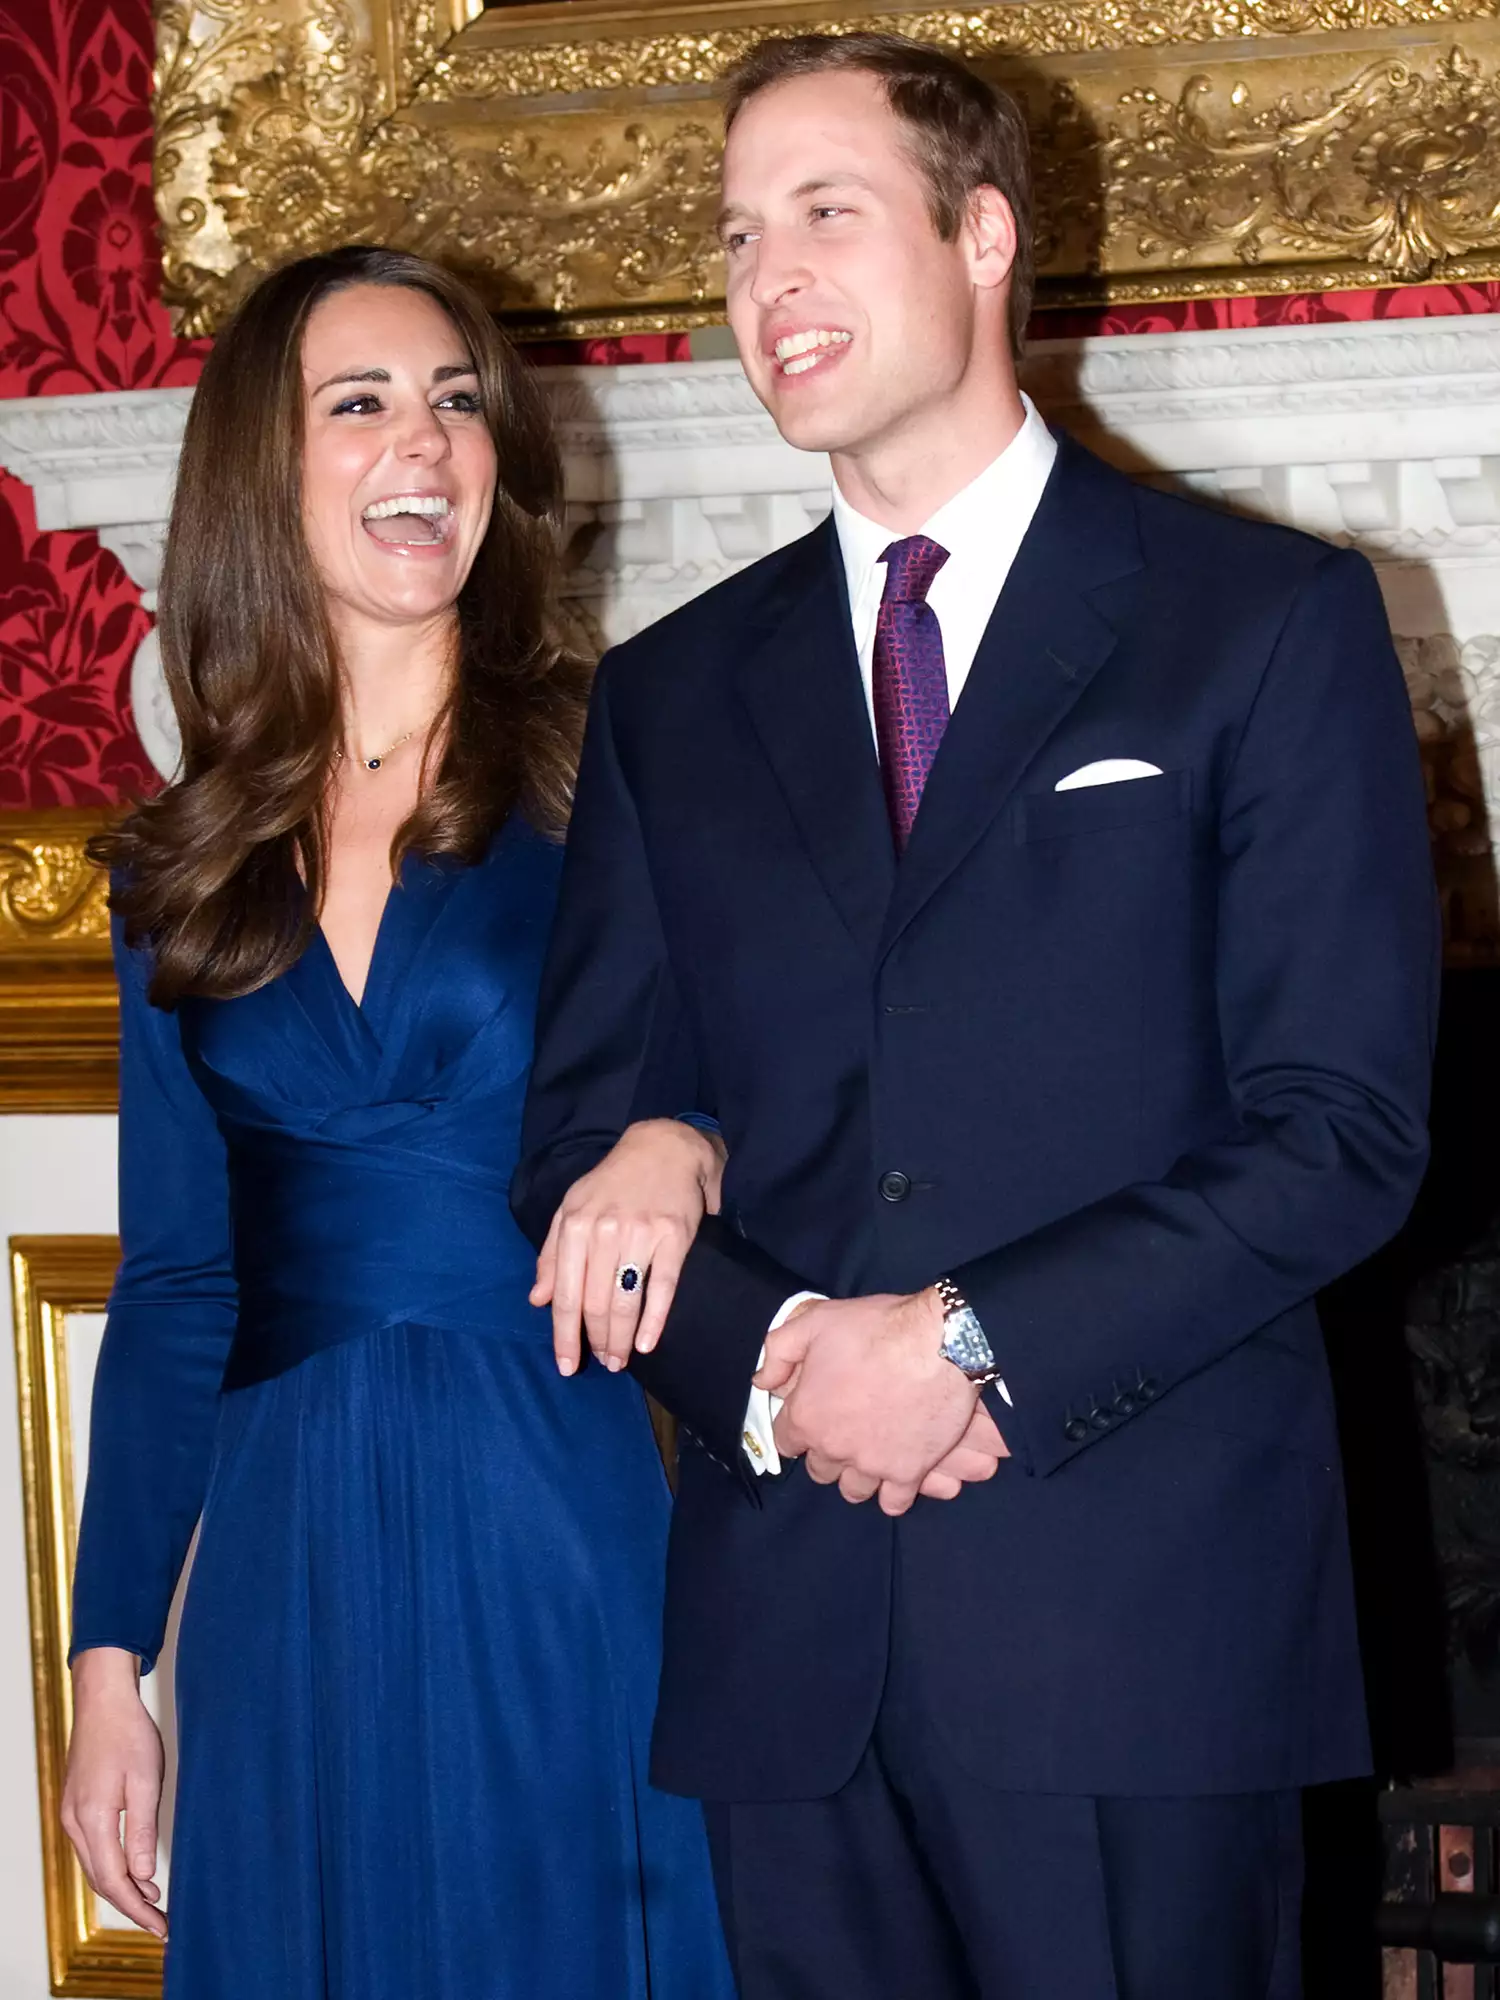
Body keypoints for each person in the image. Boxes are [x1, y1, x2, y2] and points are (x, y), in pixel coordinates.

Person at [513, 33, 1440, 2000]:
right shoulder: (670, 699)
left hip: (1141, 1639)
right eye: (739, 234)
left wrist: (968, 1345)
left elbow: (1340, 1129)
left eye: (825, 215)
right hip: (794, 1665)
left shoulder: (1265, 625)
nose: (767, 281)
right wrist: (779, 1362)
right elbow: (585, 1150)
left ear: (988, 232)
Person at [61, 245, 734, 2000]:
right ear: (258, 478)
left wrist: (688, 1139)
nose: (420, 443)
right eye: (357, 404)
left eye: (453, 402)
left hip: (558, 1495)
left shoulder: (619, 766)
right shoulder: (176, 868)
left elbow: (784, 1073)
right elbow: (178, 1282)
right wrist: (106, 1666)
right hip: (284, 1558)